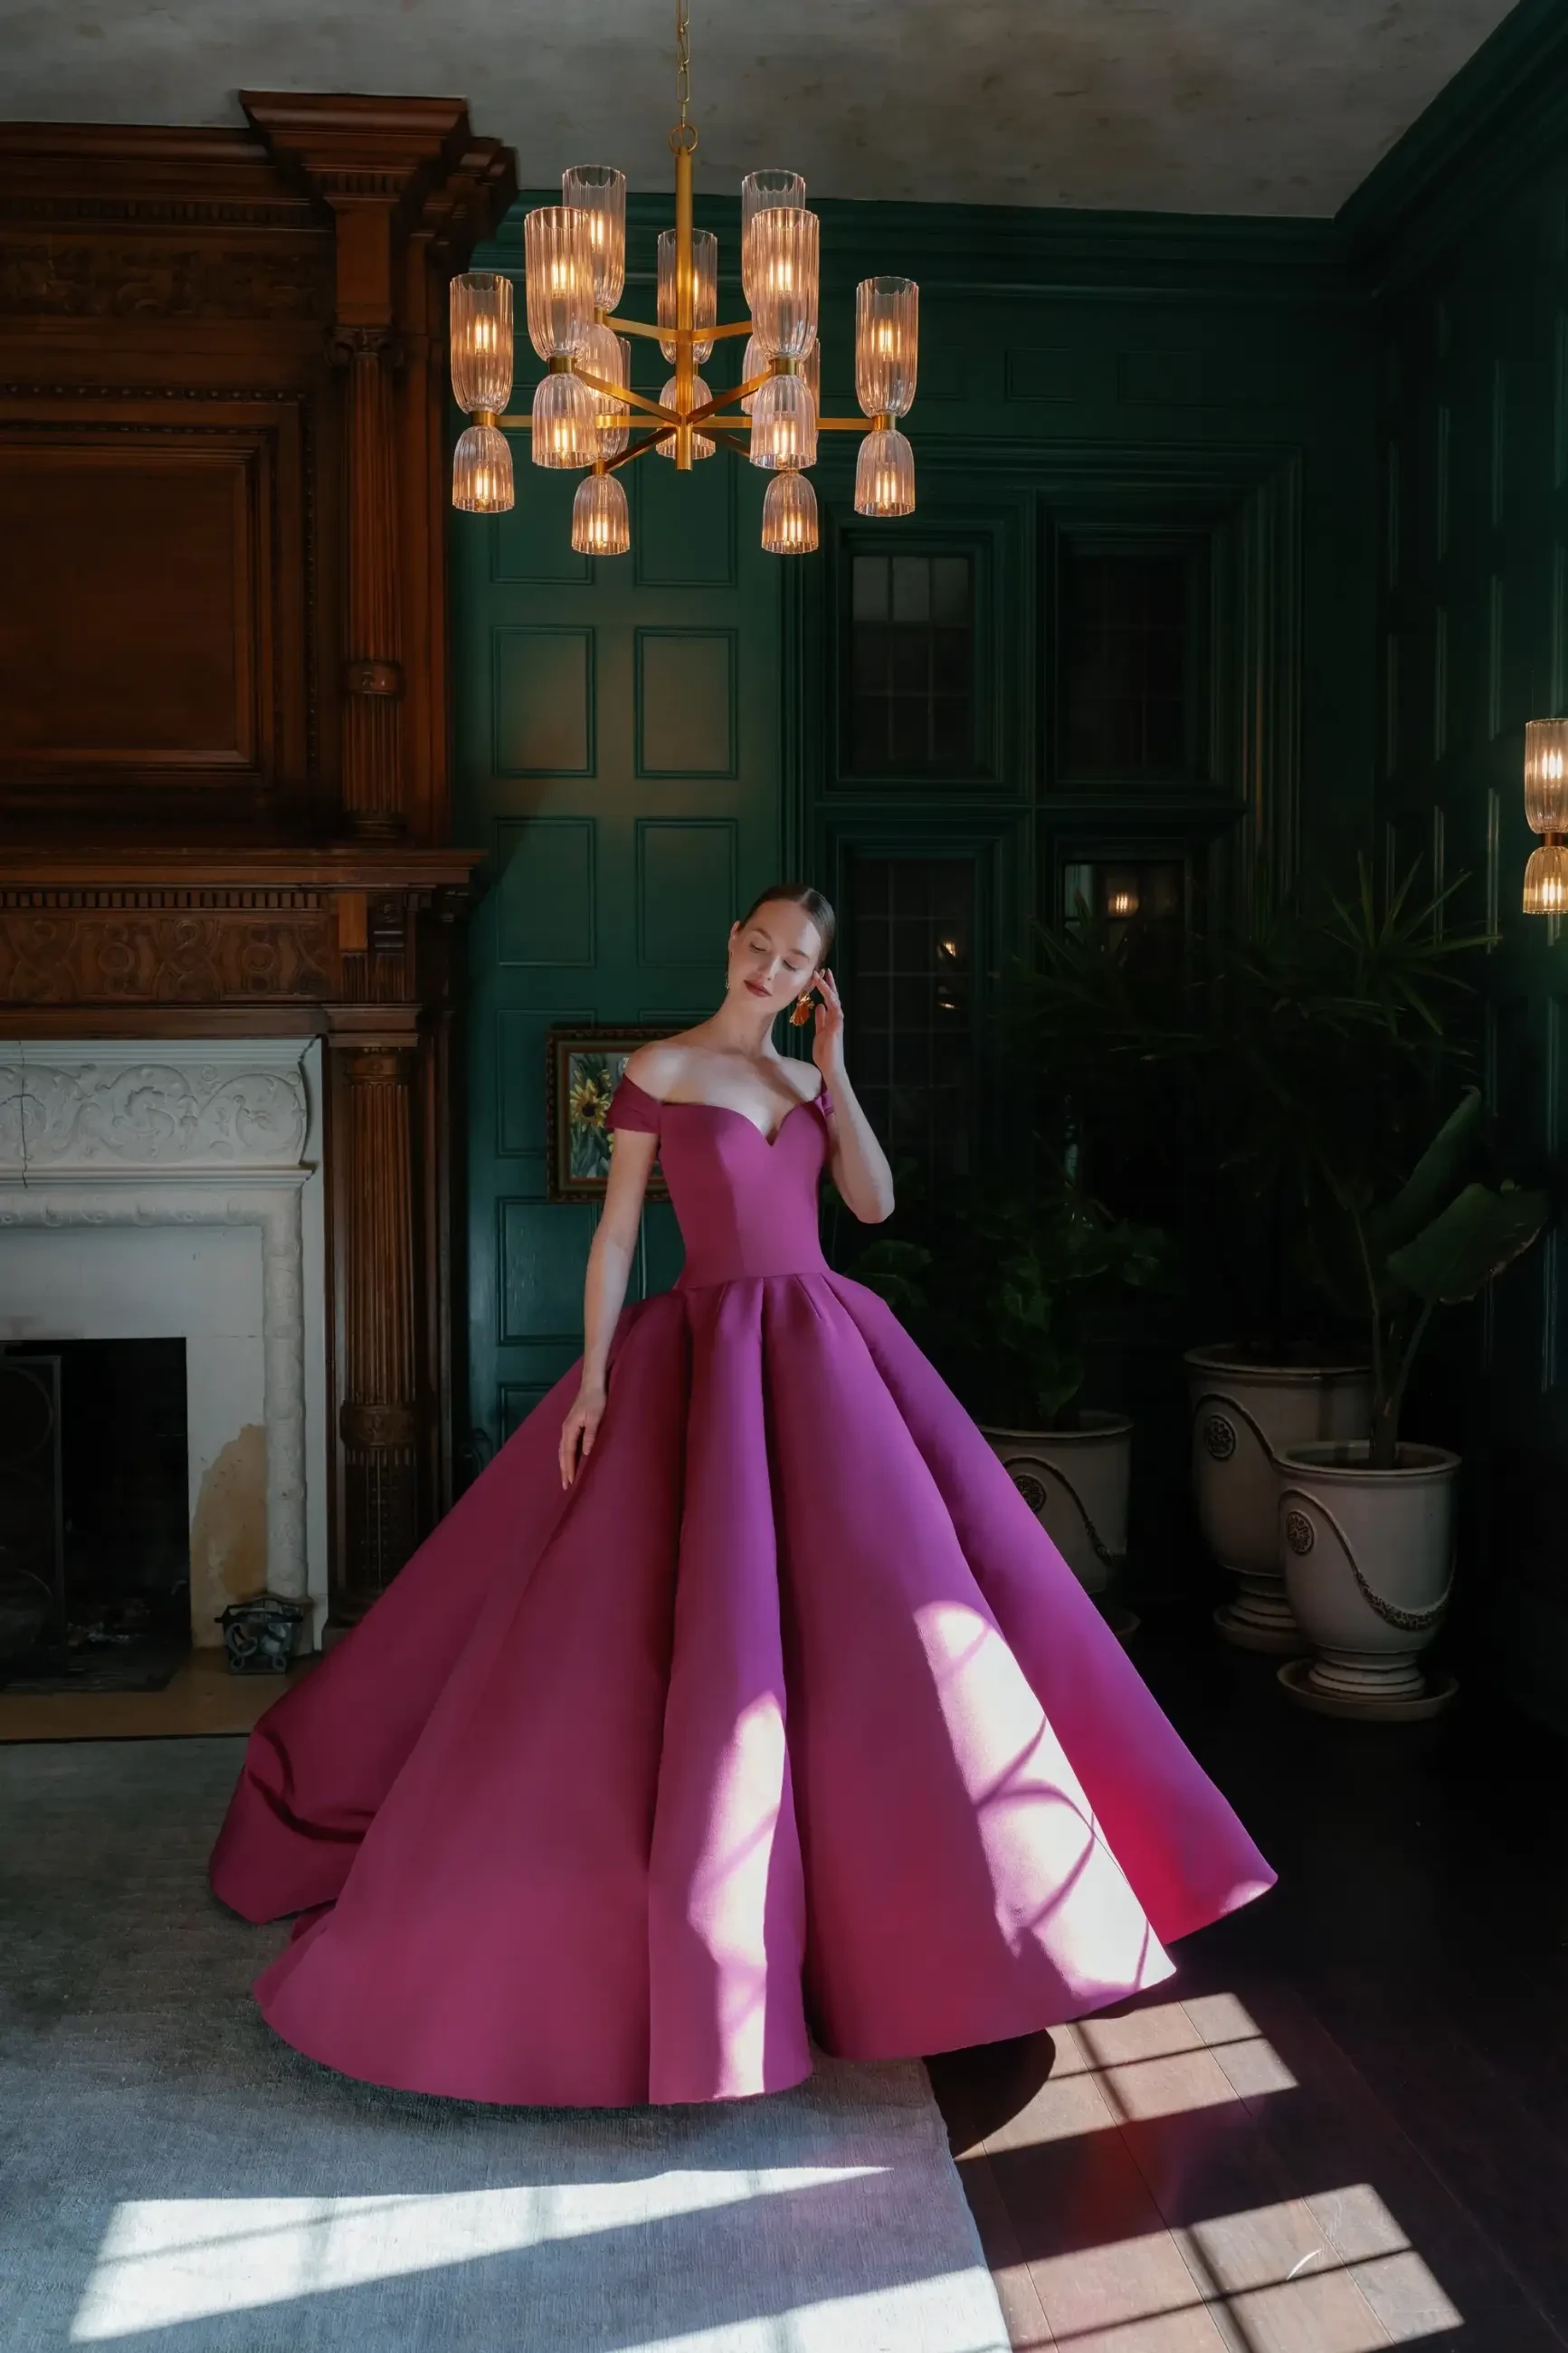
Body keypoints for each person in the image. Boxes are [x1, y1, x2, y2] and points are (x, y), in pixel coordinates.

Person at [210, 882, 1274, 2108]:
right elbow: (615, 1237)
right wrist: (598, 1379)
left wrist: (838, 1070)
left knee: (909, 1620)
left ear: (816, 976)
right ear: (731, 944)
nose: (770, 968)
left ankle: (947, 1920)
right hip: (705, 1355)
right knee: (692, 1640)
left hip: (828, 1351)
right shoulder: (660, 1068)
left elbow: (870, 1205)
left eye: (795, 960)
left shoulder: (809, 1081)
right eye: (759, 947)